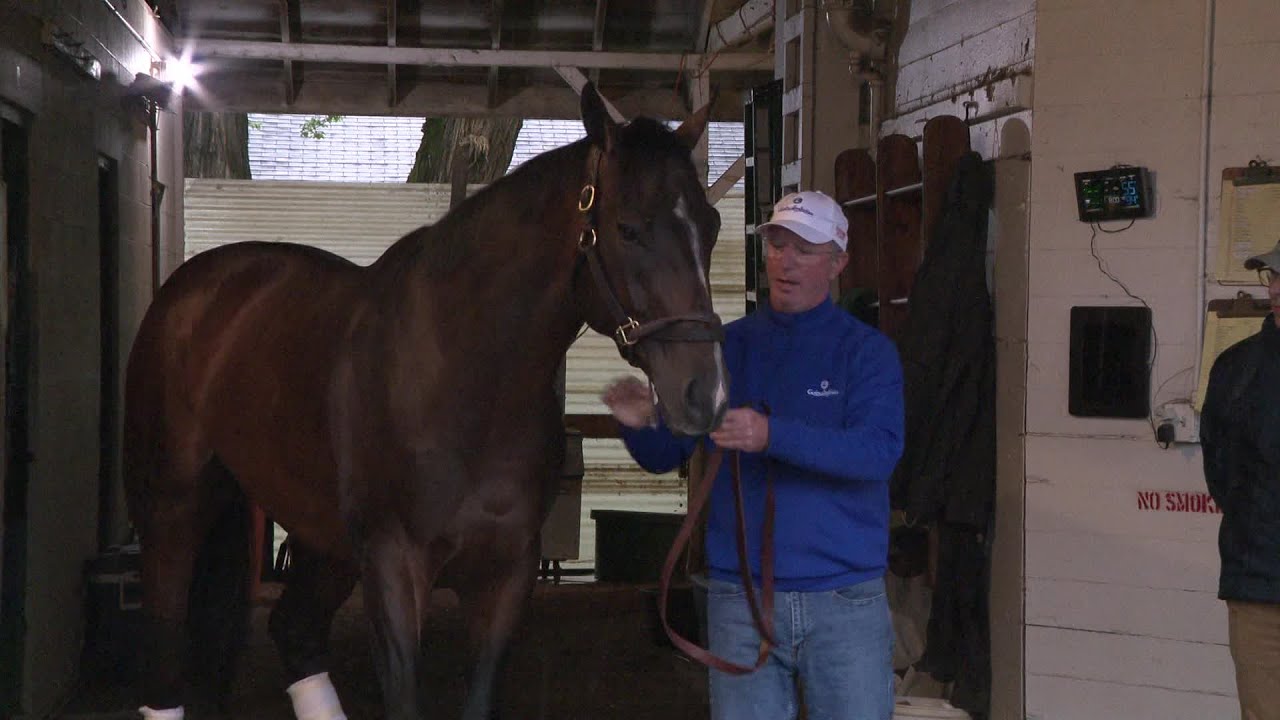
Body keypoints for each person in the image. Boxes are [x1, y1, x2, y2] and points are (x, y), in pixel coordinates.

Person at [602, 190, 905, 720]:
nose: (786, 261)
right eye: (778, 245)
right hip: (740, 598)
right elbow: (667, 451)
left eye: (805, 250)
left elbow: (877, 453)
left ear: (838, 264)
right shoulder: (727, 347)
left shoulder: (867, 351)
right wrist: (644, 423)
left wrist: (773, 436)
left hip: (842, 597)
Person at [1201, 238, 1280, 720]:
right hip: (1259, 590)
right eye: (1273, 276)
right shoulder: (1236, 369)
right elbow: (1223, 476)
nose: (1277, 288)